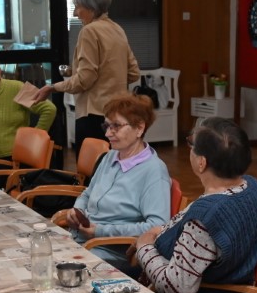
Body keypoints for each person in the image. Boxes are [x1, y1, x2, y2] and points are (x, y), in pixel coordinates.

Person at [134, 117, 257, 293]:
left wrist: (144, 246)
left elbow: (177, 289)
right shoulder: (249, 186)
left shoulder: (208, 218)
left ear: (201, 163)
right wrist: (161, 231)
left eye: (192, 145)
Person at [53, 94, 170, 276]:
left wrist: (100, 232)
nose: (107, 133)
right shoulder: (110, 157)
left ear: (139, 128)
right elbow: (87, 193)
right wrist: (77, 211)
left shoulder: (154, 170)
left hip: (113, 254)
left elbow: (157, 226)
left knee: (56, 273)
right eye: (107, 125)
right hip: (83, 241)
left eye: (116, 126)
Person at [34, 0, 140, 146]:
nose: (75, 13)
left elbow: (85, 79)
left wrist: (53, 87)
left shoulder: (89, 31)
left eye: (77, 6)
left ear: (91, 8)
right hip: (117, 112)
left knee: (92, 168)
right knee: (113, 166)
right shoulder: (117, 29)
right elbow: (133, 72)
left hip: (94, 113)